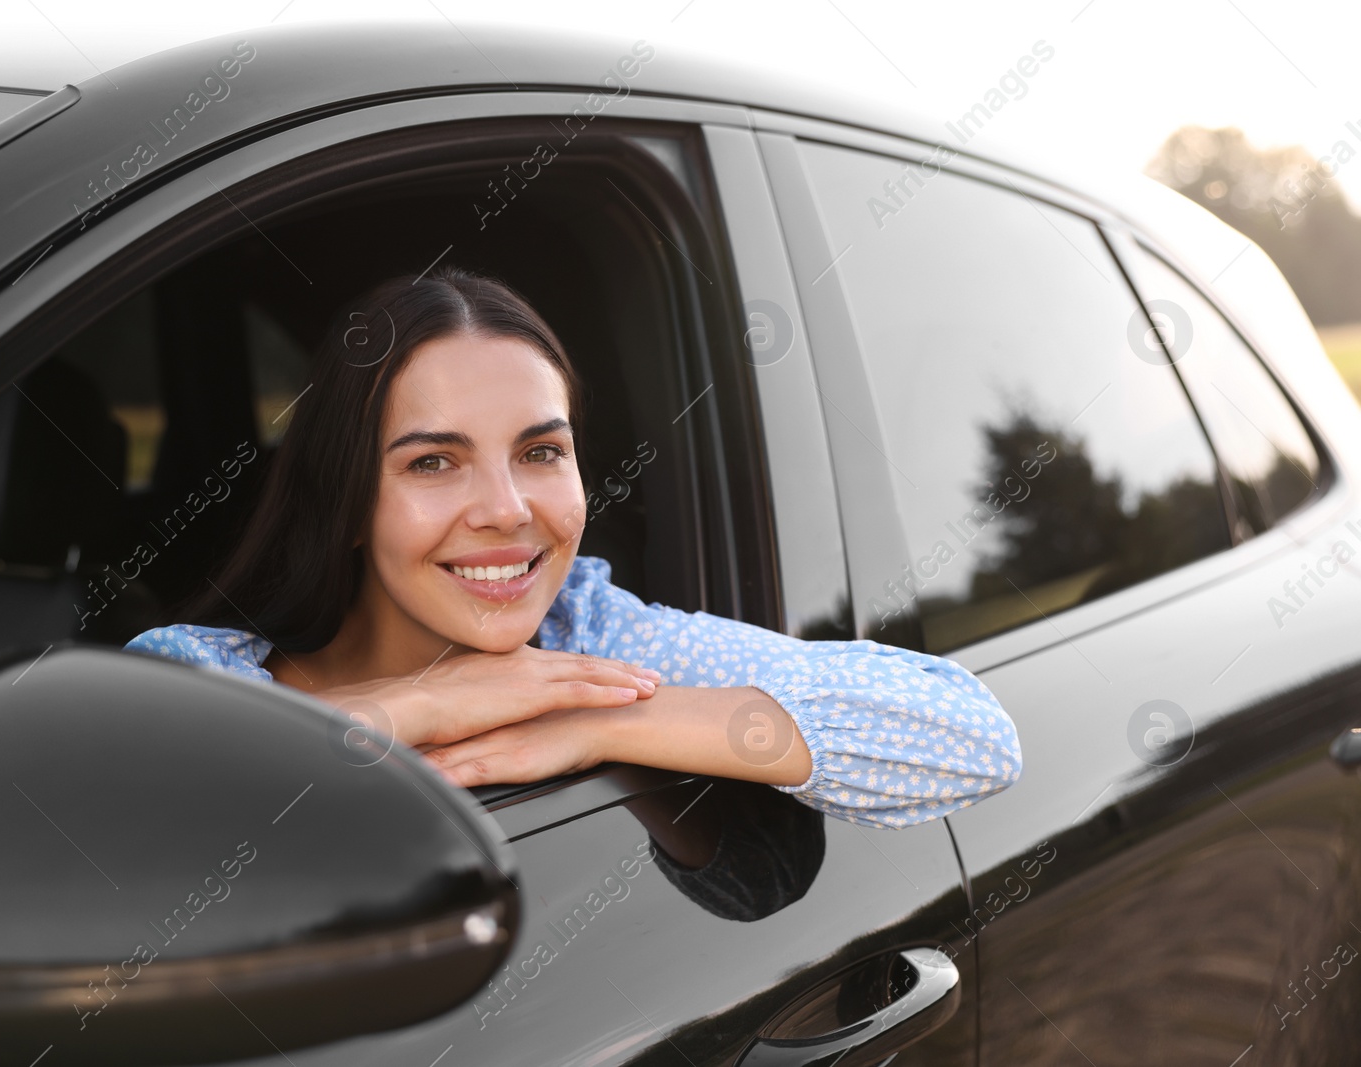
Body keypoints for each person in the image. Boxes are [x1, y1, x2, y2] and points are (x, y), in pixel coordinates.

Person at [125, 268, 1021, 829]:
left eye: (541, 452)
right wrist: (422, 705)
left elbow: (966, 736)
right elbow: (132, 808)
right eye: (433, 461)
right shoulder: (196, 677)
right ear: (346, 499)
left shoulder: (590, 636)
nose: (508, 509)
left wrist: (601, 724)